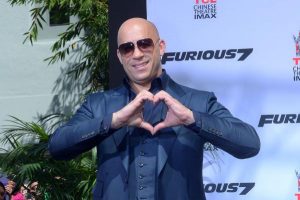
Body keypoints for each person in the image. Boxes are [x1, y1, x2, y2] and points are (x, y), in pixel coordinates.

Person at [49, 17, 260, 200]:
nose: (137, 54)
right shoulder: (98, 104)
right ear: (119, 56)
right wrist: (113, 122)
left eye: (144, 44)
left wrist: (191, 118)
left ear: (160, 47)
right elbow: (57, 146)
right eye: (127, 48)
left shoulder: (197, 101)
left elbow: (249, 143)